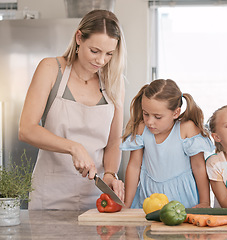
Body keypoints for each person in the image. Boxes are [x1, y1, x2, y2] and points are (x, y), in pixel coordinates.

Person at [18, 10, 126, 210]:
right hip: (51, 194)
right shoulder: (51, 69)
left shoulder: (114, 83)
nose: (101, 61)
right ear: (79, 38)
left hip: (97, 197)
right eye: (95, 51)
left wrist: (110, 173)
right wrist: (73, 147)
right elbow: (26, 129)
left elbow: (113, 142)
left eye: (109, 54)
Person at [120, 79, 214, 209]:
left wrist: (205, 202)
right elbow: (134, 166)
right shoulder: (142, 128)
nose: (150, 122)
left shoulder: (187, 129)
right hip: (149, 198)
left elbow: (199, 167)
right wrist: (127, 204)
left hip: (183, 199)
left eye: (157, 117)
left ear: (176, 113)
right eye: (146, 114)